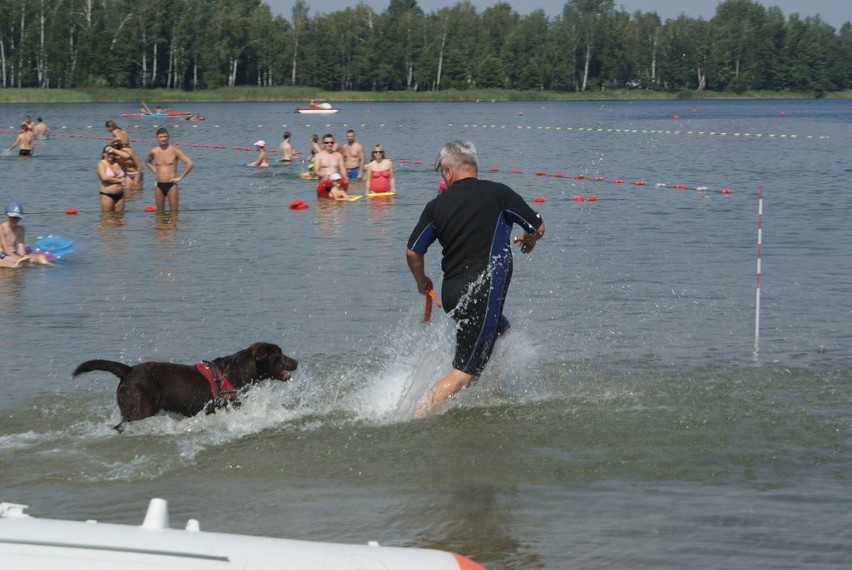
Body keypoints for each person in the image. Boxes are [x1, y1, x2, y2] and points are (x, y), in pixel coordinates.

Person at [406, 140, 546, 417]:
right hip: (482, 292)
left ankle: (495, 392)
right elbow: (538, 227)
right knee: (465, 374)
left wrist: (421, 281)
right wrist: (529, 240)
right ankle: (416, 417)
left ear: (447, 172)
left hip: (452, 294)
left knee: (504, 334)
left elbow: (413, 251)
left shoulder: (436, 206)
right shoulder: (499, 194)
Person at [145, 127, 193, 211]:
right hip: (159, 185)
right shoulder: (154, 151)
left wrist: (180, 177)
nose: (163, 139)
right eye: (161, 137)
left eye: (165, 136)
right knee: (159, 213)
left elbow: (189, 163)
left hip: (171, 185)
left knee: (174, 213)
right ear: (157, 138)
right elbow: (147, 162)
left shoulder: (174, 150)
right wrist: (155, 171)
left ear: (168, 137)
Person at [0, 202, 52, 267]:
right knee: (10, 260)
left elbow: (20, 248)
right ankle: (17, 264)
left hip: (14, 255)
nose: (14, 220)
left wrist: (24, 256)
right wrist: (19, 258)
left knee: (41, 257)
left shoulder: (21, 229)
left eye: (17, 217)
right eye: (12, 217)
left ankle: (52, 267)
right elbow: (6, 249)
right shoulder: (1, 228)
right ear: (7, 215)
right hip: (2, 255)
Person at [97, 145, 130, 212]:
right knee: (107, 218)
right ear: (104, 154)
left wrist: (113, 150)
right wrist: (120, 180)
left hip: (120, 195)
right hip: (107, 195)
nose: (111, 155)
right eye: (109, 153)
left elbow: (127, 156)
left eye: (113, 154)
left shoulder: (118, 162)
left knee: (119, 219)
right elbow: (104, 178)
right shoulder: (101, 164)